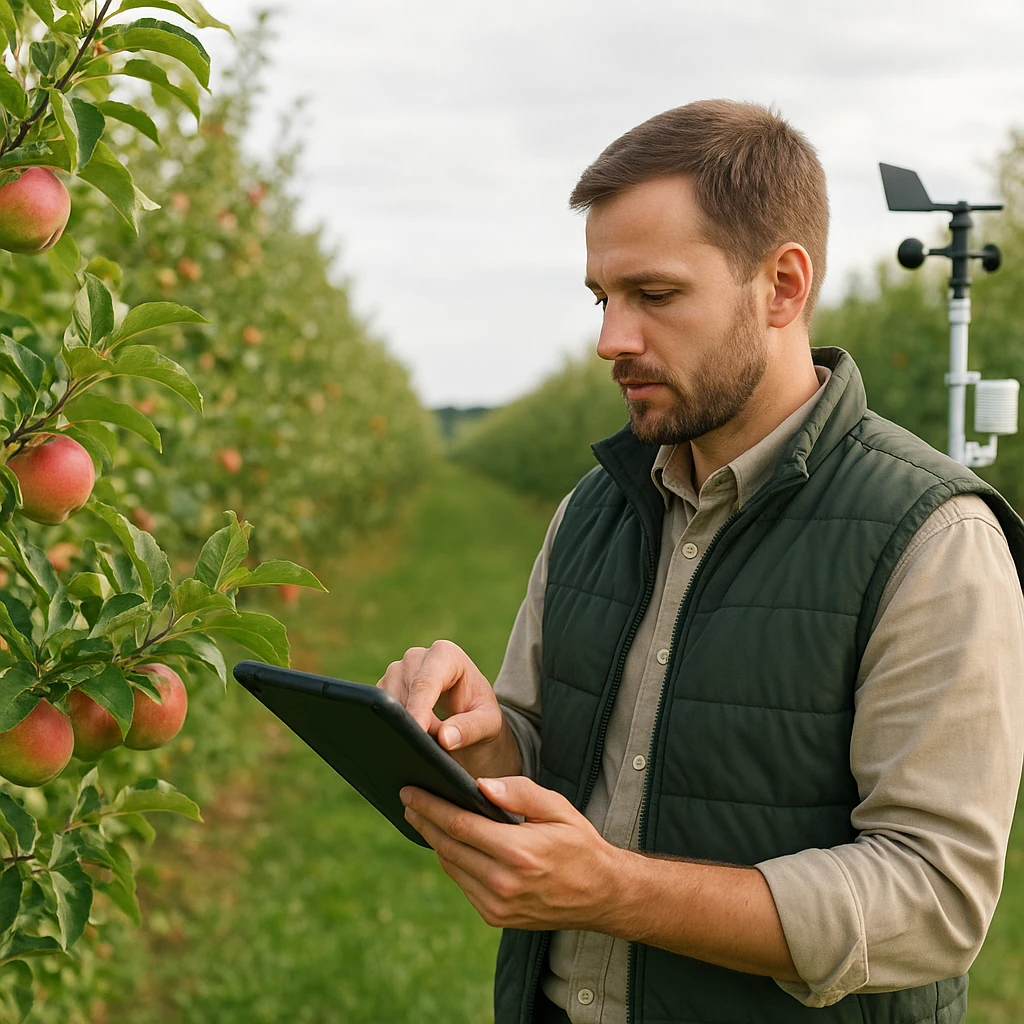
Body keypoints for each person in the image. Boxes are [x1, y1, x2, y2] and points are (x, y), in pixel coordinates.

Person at [380, 100, 1024, 1024]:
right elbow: (553, 761)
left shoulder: (930, 538)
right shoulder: (594, 510)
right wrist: (478, 738)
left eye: (655, 295)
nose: (612, 340)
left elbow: (931, 900)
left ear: (783, 287)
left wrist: (617, 891)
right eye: (602, 298)